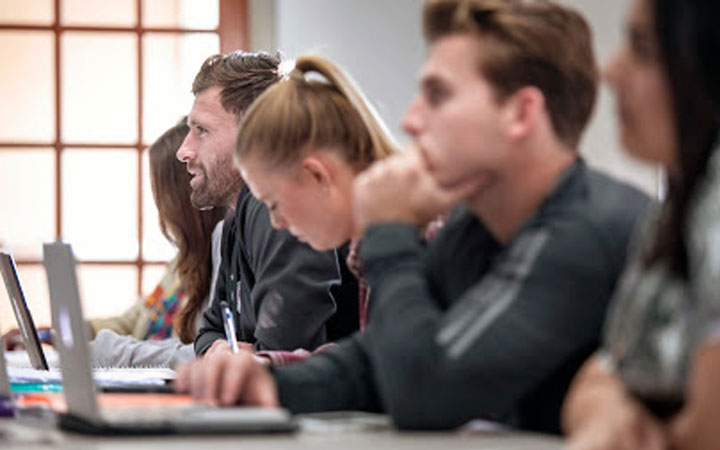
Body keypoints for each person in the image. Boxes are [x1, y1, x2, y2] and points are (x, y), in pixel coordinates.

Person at [176, 0, 652, 434]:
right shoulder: (477, 227)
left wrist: (389, 229)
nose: (411, 120)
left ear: (521, 113)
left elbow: (425, 390)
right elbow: (375, 362)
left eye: (438, 94)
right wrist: (267, 386)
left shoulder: (582, 231)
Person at [562, 0, 720, 448]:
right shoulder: (676, 210)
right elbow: (599, 375)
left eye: (643, 50)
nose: (610, 71)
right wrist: (612, 409)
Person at [176, 51, 360, 357]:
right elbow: (208, 331)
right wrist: (221, 352)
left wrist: (248, 359)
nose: (184, 150)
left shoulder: (278, 210)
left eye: (202, 131)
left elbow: (285, 349)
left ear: (256, 133)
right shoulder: (236, 218)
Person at [90, 118, 226, 368]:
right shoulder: (182, 263)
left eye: (161, 194)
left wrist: (111, 352)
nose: (160, 207)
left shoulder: (221, 257)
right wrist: (72, 332)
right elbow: (133, 320)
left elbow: (203, 353)